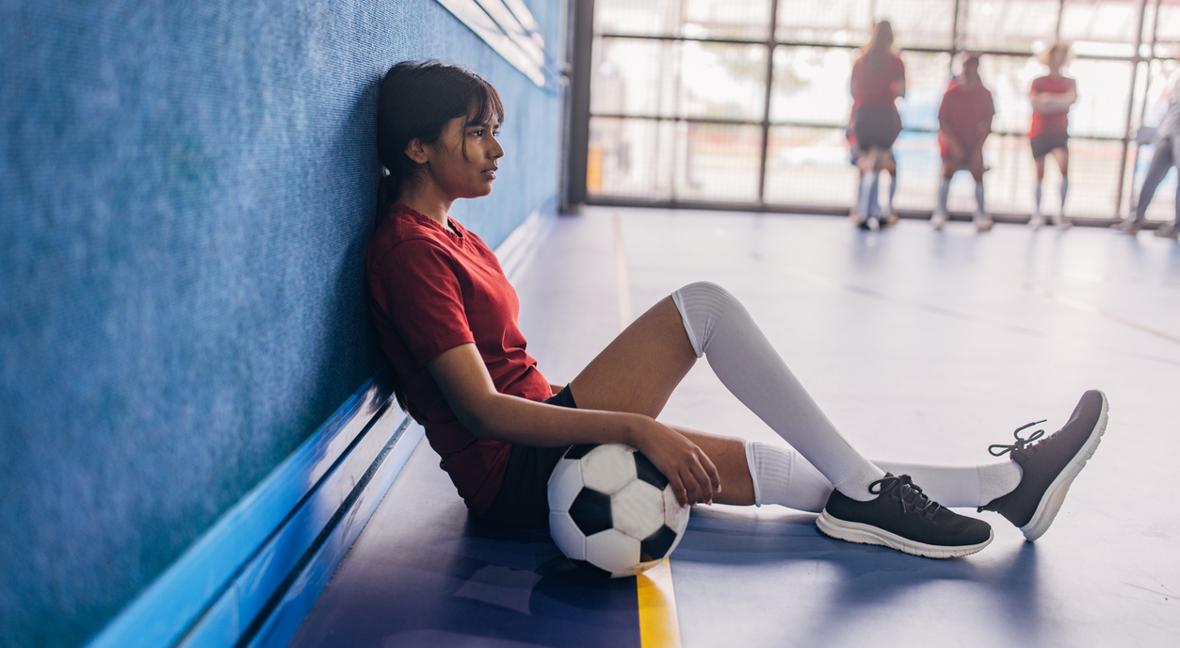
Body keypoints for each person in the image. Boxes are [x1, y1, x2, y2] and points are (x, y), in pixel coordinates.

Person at [366, 60, 1110, 560]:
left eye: (495, 130)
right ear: (418, 146)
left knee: (786, 472)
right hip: (514, 474)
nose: (496, 148)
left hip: (540, 434)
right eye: (477, 132)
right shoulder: (411, 253)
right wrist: (637, 426)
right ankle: (890, 493)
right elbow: (484, 413)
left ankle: (1004, 489)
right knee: (705, 308)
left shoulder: (449, 231)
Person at [848, 21, 905, 231]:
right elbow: (901, 90)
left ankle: (865, 209)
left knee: (867, 163)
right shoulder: (896, 62)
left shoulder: (861, 61)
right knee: (882, 162)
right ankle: (880, 210)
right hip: (885, 117)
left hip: (865, 116)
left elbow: (853, 90)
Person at [930, 54, 995, 232]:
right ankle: (940, 212)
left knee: (977, 172)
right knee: (947, 171)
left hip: (973, 145)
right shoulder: (950, 94)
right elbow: (943, 122)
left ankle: (981, 214)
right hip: (952, 147)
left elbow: (987, 123)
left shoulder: (984, 94)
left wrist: (976, 149)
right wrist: (954, 145)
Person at [1118, 64, 1180, 239]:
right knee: (1151, 178)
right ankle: (1136, 220)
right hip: (1166, 134)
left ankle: (1176, 226)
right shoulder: (1176, 77)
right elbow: (1170, 107)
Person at [1028, 42, 1078, 228]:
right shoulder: (1038, 81)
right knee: (1039, 173)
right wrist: (1058, 102)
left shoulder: (1069, 82)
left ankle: (1060, 214)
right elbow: (1036, 104)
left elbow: (1070, 101)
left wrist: (1048, 100)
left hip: (1059, 132)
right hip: (1039, 131)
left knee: (1063, 170)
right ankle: (1037, 213)